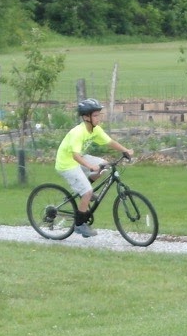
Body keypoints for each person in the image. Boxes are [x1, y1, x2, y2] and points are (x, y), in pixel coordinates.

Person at [54, 98, 133, 238]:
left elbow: (109, 142)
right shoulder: (78, 132)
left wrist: (125, 150)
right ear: (86, 117)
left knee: (103, 166)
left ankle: (83, 190)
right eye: (95, 115)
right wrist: (90, 166)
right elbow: (75, 156)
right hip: (66, 163)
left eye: (99, 115)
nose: (98, 118)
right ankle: (79, 224)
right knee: (87, 191)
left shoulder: (95, 130)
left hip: (78, 160)